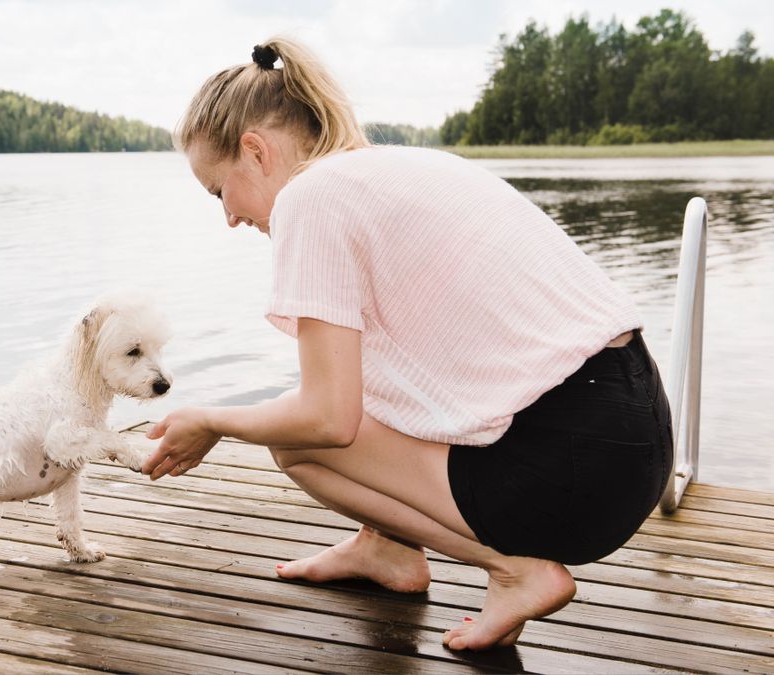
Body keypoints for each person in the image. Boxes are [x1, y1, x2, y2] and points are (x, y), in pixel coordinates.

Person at [140, 37, 673, 651]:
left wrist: (211, 420)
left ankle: (514, 571)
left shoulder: (311, 198)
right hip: (637, 443)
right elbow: (379, 381)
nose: (229, 217)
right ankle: (386, 547)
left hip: (574, 471)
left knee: (291, 436)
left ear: (256, 152)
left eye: (218, 191)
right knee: (341, 388)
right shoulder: (397, 167)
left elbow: (327, 420)